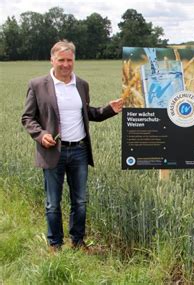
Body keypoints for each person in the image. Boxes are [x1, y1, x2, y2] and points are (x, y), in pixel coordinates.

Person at [21, 40, 123, 251]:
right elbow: (27, 118)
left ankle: (77, 241)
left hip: (79, 151)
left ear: (74, 60)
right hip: (52, 151)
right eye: (61, 60)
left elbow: (87, 113)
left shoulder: (81, 84)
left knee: (80, 201)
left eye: (69, 60)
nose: (66, 64)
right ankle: (55, 244)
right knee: (53, 203)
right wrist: (41, 135)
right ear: (52, 60)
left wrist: (109, 109)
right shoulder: (38, 85)